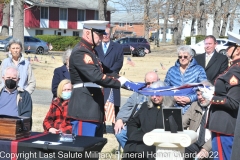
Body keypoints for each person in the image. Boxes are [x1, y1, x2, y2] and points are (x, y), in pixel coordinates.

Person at [62, 20, 128, 137]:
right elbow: (96, 76)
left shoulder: (91, 52)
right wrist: (121, 84)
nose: (102, 37)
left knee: (93, 151)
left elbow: (107, 71)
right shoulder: (80, 52)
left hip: (93, 109)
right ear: (88, 33)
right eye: (99, 34)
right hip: (84, 109)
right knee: (84, 150)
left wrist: (128, 82)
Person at [203, 42, 240, 160]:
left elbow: (234, 102)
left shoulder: (236, 70)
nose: (226, 49)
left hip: (225, 125)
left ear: (238, 50)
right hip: (223, 124)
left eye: (229, 47)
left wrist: (212, 98)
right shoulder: (233, 67)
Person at [123, 81, 174, 160]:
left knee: (143, 152)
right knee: (129, 148)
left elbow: (173, 130)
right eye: (152, 94)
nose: (154, 97)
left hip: (158, 142)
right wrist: (133, 135)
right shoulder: (145, 106)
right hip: (141, 138)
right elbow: (132, 123)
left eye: (157, 94)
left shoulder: (171, 110)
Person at [114, 71, 159, 148]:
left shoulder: (162, 94)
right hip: (135, 125)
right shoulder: (139, 93)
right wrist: (120, 119)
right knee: (120, 134)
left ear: (158, 81)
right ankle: (130, 151)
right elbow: (127, 106)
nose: (150, 85)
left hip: (152, 127)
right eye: (148, 83)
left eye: (153, 82)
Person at [164, 45, 207, 114]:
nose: (182, 58)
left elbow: (204, 89)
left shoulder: (199, 70)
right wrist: (173, 97)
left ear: (190, 57)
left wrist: (190, 98)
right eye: (180, 57)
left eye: (185, 56)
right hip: (174, 108)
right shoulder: (171, 70)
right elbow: (165, 88)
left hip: (192, 108)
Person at [95, 27, 124, 117]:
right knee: (98, 104)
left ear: (110, 34)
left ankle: (116, 128)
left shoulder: (118, 47)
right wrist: (100, 73)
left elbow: (119, 62)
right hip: (98, 78)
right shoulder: (96, 46)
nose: (105, 36)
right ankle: (101, 127)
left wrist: (109, 73)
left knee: (114, 105)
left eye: (107, 34)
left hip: (112, 78)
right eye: (103, 34)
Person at [183, 88, 212, 160]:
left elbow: (218, 135)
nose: (199, 97)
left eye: (202, 94)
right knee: (180, 150)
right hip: (195, 143)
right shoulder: (195, 105)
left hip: (211, 145)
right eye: (198, 95)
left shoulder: (218, 109)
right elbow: (182, 123)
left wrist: (205, 148)